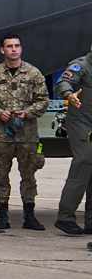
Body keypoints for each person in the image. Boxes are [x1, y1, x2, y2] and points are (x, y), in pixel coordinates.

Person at [0, 33, 49, 232]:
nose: (14, 49)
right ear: (2, 50)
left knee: (29, 176)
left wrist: (27, 113)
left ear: (21, 48)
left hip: (27, 135)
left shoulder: (33, 73)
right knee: (1, 176)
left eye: (17, 46)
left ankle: (30, 216)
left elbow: (43, 100)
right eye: (9, 46)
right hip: (2, 136)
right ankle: (3, 216)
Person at [55, 44, 92, 236]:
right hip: (80, 120)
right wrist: (69, 95)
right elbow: (62, 83)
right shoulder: (81, 65)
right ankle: (65, 217)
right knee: (84, 160)